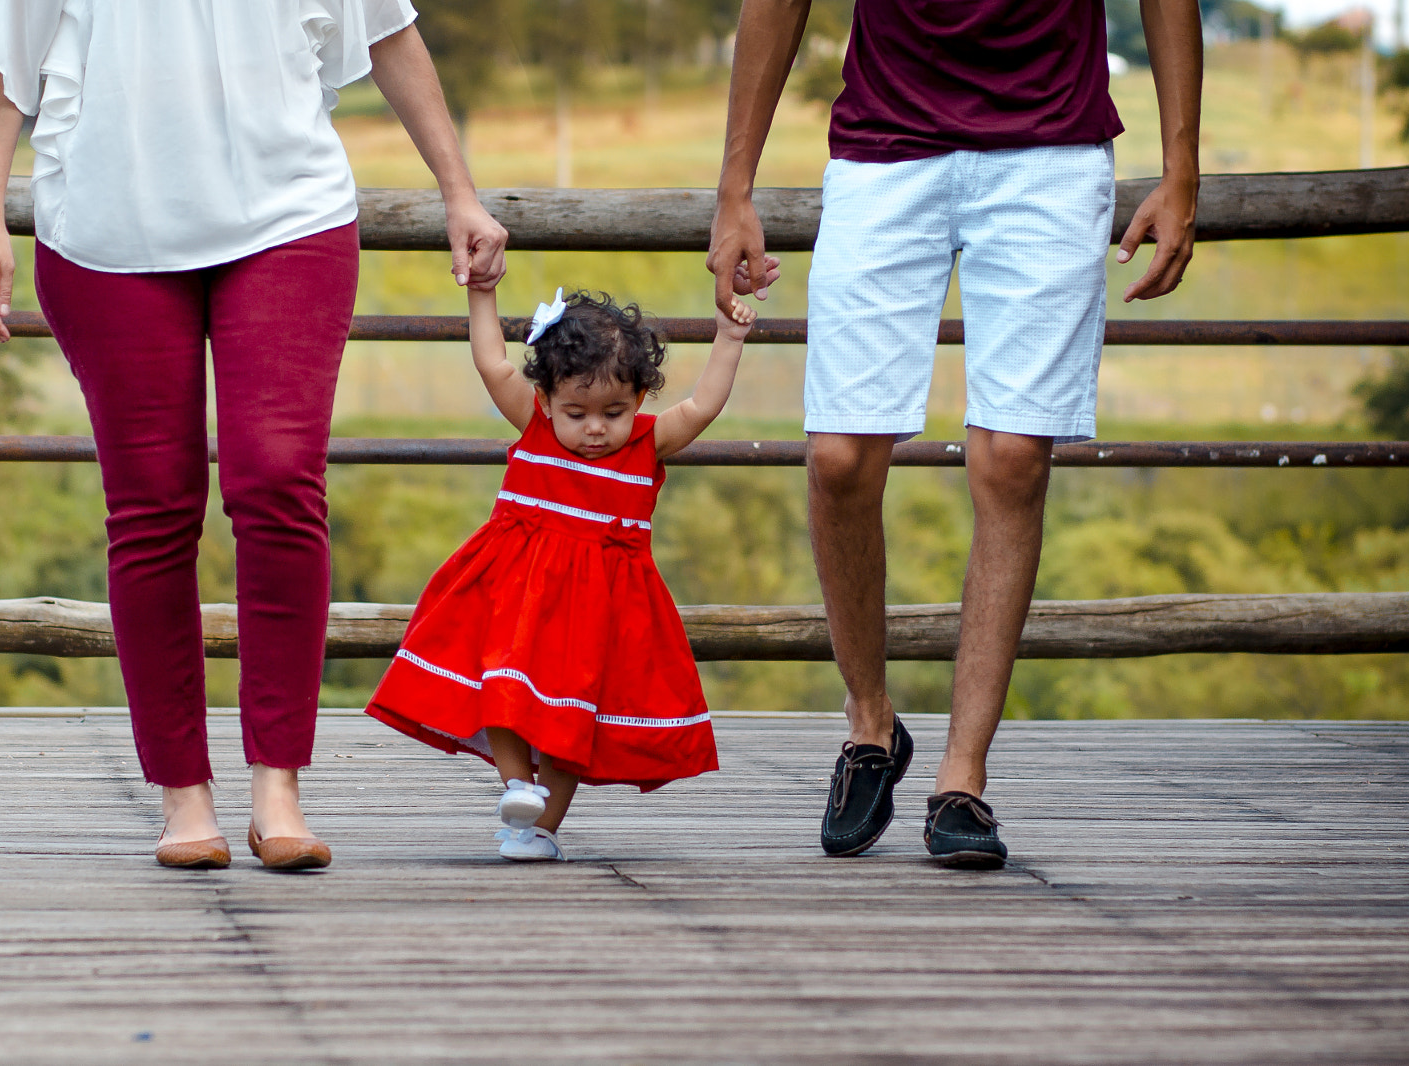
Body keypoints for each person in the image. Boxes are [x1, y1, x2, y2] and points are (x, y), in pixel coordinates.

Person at [0, 0, 509, 871]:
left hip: (288, 219)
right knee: (151, 507)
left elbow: (389, 33)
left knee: (280, 479)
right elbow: (4, 67)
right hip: (106, 232)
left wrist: (459, 193)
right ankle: (183, 797)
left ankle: (277, 784)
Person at [707, 0, 1202, 865]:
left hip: (1050, 153)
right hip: (884, 149)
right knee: (838, 456)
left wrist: (1182, 167)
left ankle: (961, 780)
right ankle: (871, 728)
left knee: (1012, 460)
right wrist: (735, 188)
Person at [364, 282, 764, 860]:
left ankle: (539, 828)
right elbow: (489, 359)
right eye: (577, 413)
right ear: (547, 399)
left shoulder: (647, 447)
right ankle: (517, 789)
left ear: (641, 398)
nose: (595, 429)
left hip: (597, 616)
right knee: (498, 686)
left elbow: (702, 405)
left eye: (614, 412)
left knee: (574, 718)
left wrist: (730, 336)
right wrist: (482, 292)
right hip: (516, 594)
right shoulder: (533, 424)